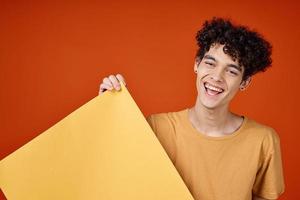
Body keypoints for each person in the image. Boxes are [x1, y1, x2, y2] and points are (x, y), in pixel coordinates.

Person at [98, 17, 285, 200]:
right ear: (197, 64)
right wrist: (108, 107)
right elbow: (116, 172)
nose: (217, 77)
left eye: (231, 71)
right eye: (210, 63)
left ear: (244, 82)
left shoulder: (263, 140)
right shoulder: (156, 127)